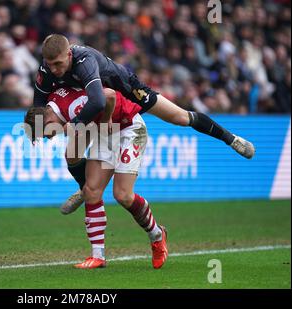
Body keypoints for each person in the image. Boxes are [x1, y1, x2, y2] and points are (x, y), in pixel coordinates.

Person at [32, 34, 256, 214]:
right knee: (71, 153)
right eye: (50, 65)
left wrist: (75, 124)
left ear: (69, 54)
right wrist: (39, 128)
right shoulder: (47, 68)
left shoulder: (84, 61)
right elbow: (39, 103)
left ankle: (231, 139)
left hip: (126, 91)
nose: (54, 70)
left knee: (180, 117)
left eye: (58, 64)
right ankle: (85, 189)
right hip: (99, 109)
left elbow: (99, 99)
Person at [24, 86, 168, 269]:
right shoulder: (54, 103)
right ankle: (98, 256)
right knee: (92, 191)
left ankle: (157, 235)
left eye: (46, 135)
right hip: (105, 132)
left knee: (123, 195)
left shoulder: (72, 108)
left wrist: (106, 118)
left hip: (128, 126)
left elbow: (109, 95)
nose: (50, 138)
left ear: (47, 120)